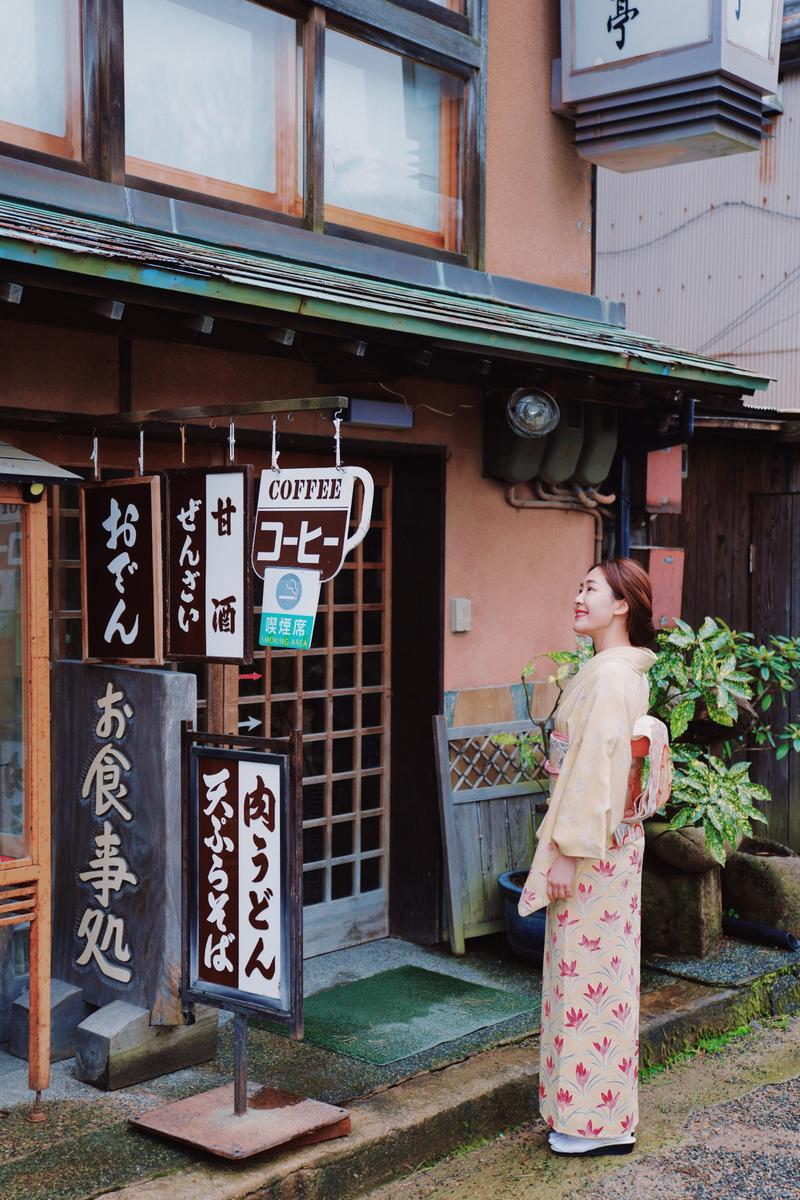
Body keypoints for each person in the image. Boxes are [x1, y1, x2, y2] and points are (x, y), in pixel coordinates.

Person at [525, 559, 657, 1157]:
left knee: (588, 988)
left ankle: (594, 1124)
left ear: (622, 604)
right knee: (595, 982)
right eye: (577, 586)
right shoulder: (614, 670)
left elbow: (593, 775)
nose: (578, 597)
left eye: (591, 590)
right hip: (609, 850)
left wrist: (565, 852)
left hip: (594, 851)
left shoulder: (610, 677)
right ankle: (597, 1116)